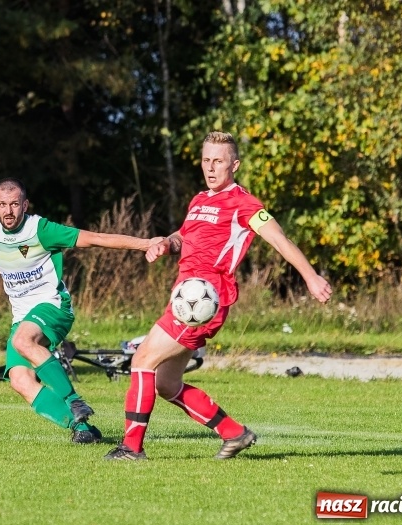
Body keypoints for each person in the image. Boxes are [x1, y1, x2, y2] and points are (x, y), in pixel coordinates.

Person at [104, 131, 332, 461]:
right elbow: (184, 236)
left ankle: (131, 448)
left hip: (204, 302)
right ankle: (234, 433)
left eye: (219, 162)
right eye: (206, 160)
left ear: (234, 165)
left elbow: (279, 239)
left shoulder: (245, 204)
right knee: (166, 384)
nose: (211, 168)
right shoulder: (199, 200)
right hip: (185, 298)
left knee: (142, 361)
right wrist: (165, 244)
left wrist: (310, 277)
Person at [0, 178, 162, 443]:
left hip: (53, 306)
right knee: (20, 380)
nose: (9, 211)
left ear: (25, 205)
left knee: (23, 340)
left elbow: (96, 238)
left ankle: (74, 400)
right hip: (22, 317)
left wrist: (146, 244)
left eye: (15, 204)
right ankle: (82, 430)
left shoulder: (40, 229)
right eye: (4, 205)